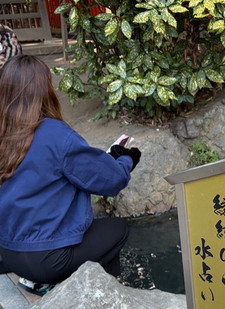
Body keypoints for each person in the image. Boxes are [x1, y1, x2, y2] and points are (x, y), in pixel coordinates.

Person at [0, 55, 141, 295]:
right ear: (44, 90)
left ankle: (41, 283)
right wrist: (127, 159)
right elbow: (112, 180)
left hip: (8, 252)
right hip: (47, 260)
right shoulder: (55, 134)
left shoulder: (5, 131)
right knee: (118, 229)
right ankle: (100, 298)